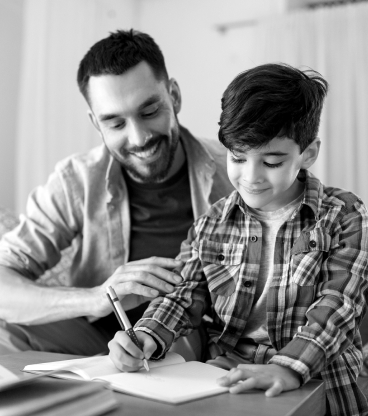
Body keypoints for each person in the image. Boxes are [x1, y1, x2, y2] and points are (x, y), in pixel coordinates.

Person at [108, 63, 368, 416]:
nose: (251, 177)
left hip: (318, 380)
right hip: (226, 379)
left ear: (307, 153)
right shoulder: (213, 222)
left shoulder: (344, 214)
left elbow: (338, 306)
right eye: (238, 157)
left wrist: (287, 367)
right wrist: (146, 336)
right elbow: (184, 296)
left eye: (272, 162)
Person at [0, 29, 232, 357]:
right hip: (96, 341)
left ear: (174, 96)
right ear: (96, 123)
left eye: (149, 112)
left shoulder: (237, 172)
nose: (138, 138)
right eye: (115, 123)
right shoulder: (76, 180)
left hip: (193, 337)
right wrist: (99, 297)